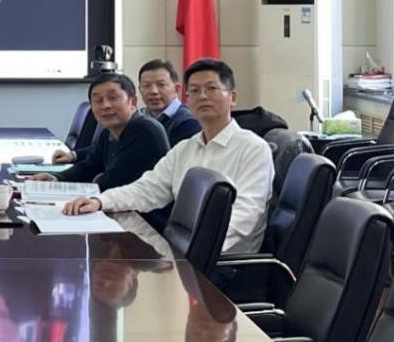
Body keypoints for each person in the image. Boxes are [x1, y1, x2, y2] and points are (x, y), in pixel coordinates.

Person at [61, 58, 274, 255]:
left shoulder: (253, 149)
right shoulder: (186, 148)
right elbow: (148, 188)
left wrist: (195, 249)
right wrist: (100, 201)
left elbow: (245, 215)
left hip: (223, 263)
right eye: (194, 91)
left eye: (211, 89)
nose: (202, 96)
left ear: (232, 97)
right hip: (183, 254)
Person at [30, 73, 169, 192]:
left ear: (132, 101)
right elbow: (89, 166)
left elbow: (114, 182)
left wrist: (99, 179)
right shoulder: (109, 131)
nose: (105, 105)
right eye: (98, 100)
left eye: (113, 98)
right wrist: (57, 178)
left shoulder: (144, 130)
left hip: (144, 213)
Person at [138, 59, 203, 146]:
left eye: (161, 85)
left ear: (177, 89)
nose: (153, 91)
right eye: (147, 85)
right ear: (140, 90)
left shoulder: (189, 121)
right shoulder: (137, 118)